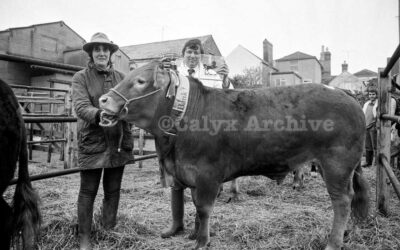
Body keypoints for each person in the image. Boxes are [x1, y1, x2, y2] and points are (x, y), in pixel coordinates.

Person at [160, 39, 233, 238]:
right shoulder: (173, 72)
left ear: (200, 55)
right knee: (176, 180)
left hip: (203, 136)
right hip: (177, 135)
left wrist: (225, 79)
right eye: (189, 52)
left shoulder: (211, 75)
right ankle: (177, 224)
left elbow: (227, 97)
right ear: (183, 54)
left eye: (196, 52)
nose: (192, 56)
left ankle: (199, 227)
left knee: (202, 180)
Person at [72, 32, 134, 250]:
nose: (101, 53)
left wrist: (127, 112)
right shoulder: (80, 77)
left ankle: (108, 228)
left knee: (113, 188)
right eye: (96, 49)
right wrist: (99, 114)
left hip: (118, 138)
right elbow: (80, 106)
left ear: (110, 54)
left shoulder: (122, 77)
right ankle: (84, 238)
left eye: (105, 49)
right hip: (93, 139)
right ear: (90, 53)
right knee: (88, 190)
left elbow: (132, 103)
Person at [362, 87, 396, 168]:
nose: (371, 96)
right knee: (368, 145)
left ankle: (377, 163)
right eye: (370, 94)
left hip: (374, 126)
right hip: (366, 126)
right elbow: (363, 114)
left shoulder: (378, 104)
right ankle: (368, 162)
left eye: (373, 94)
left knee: (375, 146)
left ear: (376, 95)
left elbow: (378, 116)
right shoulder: (366, 104)